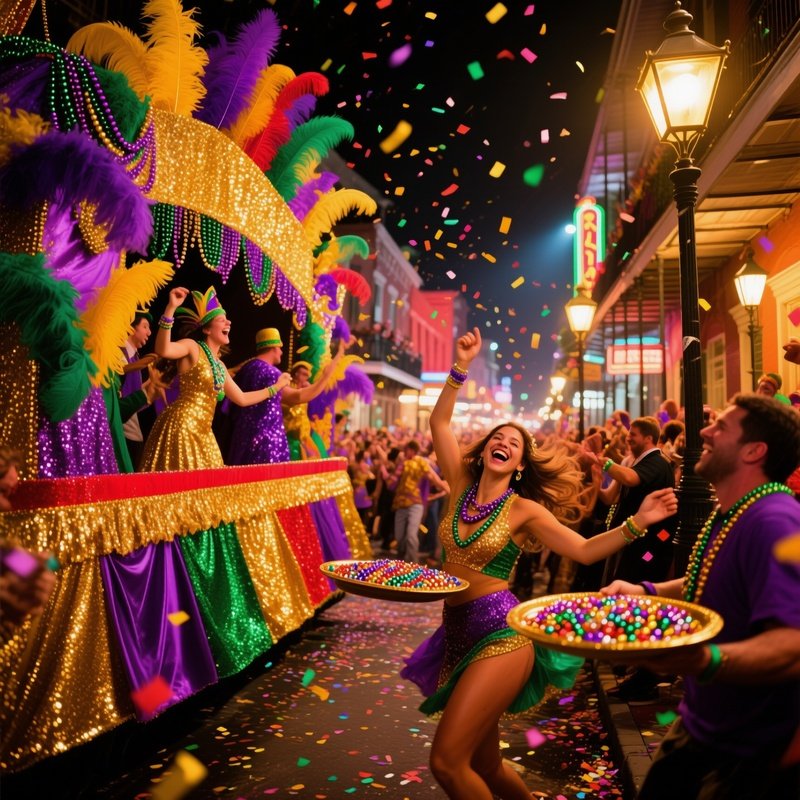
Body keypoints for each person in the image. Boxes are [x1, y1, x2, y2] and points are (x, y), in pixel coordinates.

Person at [400, 328, 678, 800]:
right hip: (455, 633)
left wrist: (639, 521)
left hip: (500, 637)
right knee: (485, 766)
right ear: (486, 448)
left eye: (514, 441)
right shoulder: (459, 484)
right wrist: (460, 365)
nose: (503, 441)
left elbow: (585, 550)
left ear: (521, 464)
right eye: (497, 437)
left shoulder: (523, 510)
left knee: (447, 763)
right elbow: (439, 424)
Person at [601, 394, 800, 800]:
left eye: (721, 426)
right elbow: (708, 579)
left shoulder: (775, 520)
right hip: (703, 726)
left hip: (748, 750)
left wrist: (702, 660)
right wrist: (644, 592)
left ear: (754, 450)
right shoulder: (734, 510)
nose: (704, 430)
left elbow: (792, 644)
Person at [140, 287, 282, 471]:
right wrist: (171, 308)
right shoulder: (192, 348)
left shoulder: (220, 366)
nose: (228, 322)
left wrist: (275, 388)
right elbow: (163, 349)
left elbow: (242, 398)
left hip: (204, 432)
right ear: (207, 329)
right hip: (183, 427)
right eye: (222, 320)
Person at [588, 415, 678, 702]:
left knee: (638, 593)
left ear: (649, 438)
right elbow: (609, 498)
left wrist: (602, 460)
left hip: (651, 545)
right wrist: (595, 476)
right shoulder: (633, 461)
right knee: (622, 588)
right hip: (630, 540)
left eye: (633, 436)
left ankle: (639, 667)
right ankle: (626, 658)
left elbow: (631, 479)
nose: (628, 439)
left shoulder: (656, 461)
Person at [226, 327, 293, 465]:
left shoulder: (247, 368)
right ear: (274, 348)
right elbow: (296, 397)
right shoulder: (273, 373)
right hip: (268, 442)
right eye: (279, 347)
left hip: (242, 438)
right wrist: (325, 377)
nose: (281, 351)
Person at [390, 439, 449, 565]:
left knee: (411, 536)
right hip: (400, 505)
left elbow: (431, 475)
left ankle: (413, 565)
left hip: (415, 504)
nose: (406, 452)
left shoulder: (420, 462)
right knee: (400, 538)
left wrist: (445, 488)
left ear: (412, 450)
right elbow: (391, 483)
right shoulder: (402, 464)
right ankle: (400, 563)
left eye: (407, 450)